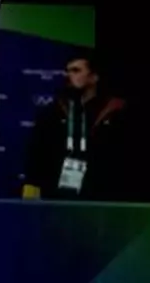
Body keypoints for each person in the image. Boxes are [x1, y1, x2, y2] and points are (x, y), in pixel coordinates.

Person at [22, 53, 128, 201]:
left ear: (94, 77)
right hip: (57, 198)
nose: (68, 75)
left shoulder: (113, 113)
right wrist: (31, 191)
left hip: (101, 199)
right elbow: (37, 156)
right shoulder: (53, 113)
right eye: (68, 71)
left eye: (76, 70)